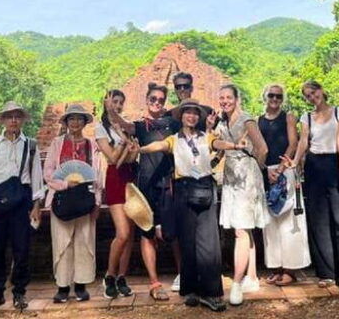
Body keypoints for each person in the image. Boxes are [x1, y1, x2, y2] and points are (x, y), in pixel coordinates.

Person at [138, 99, 249, 312]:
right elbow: (159, 146)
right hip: (183, 189)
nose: (191, 116)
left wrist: (234, 145)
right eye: (187, 112)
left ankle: (211, 293)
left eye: (195, 113)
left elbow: (217, 144)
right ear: (181, 116)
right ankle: (190, 290)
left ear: (198, 117)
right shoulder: (173, 139)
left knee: (209, 244)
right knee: (187, 242)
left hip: (204, 188)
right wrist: (140, 149)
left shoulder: (205, 137)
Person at [296, 80, 339, 297]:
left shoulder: (338, 112)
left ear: (321, 90)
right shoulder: (306, 117)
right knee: (319, 220)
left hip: (334, 164)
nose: (312, 97)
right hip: (314, 165)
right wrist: (295, 162)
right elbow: (303, 142)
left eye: (313, 92)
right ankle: (327, 272)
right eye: (307, 95)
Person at [0, 101, 44, 311]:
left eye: (17, 116)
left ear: (22, 120)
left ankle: (19, 292)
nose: (13, 120)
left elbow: (36, 176)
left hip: (21, 201)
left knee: (22, 249)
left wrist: (37, 204)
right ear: (3, 120)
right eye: (9, 116)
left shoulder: (30, 145)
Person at [43, 104, 104, 303]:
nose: (75, 122)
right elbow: (48, 172)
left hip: (85, 198)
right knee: (63, 242)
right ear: (66, 122)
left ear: (85, 122)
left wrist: (97, 202)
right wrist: (64, 184)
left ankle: (80, 285)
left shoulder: (91, 145)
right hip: (62, 197)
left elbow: (97, 175)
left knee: (84, 242)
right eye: (72, 119)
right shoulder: (57, 144)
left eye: (79, 119)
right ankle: (62, 286)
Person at [216, 83, 268, 306]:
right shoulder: (222, 122)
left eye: (229, 97)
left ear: (237, 99)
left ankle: (237, 282)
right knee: (244, 228)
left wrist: (256, 167)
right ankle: (252, 276)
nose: (225, 101)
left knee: (240, 230)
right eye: (222, 98)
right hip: (231, 176)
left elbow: (262, 148)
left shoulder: (246, 120)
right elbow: (219, 149)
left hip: (246, 176)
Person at [133, 83, 182, 300]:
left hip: (168, 182)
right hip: (146, 184)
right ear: (146, 99)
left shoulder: (173, 124)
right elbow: (121, 126)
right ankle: (154, 283)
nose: (156, 103)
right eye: (153, 99)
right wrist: (112, 111)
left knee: (174, 232)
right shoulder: (139, 125)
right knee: (147, 232)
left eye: (161, 100)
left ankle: (184, 275)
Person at [257, 84, 310, 286]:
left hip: (285, 170)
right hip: (267, 172)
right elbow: (257, 148)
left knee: (289, 221)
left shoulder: (288, 117)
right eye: (271, 95)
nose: (275, 99)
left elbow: (293, 143)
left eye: (279, 96)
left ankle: (290, 268)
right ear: (265, 96)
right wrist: (265, 170)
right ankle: (276, 266)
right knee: (270, 222)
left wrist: (279, 170)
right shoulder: (258, 120)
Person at [95, 89, 138, 299]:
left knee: (130, 233)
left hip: (130, 177)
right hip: (114, 179)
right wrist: (122, 141)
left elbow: (130, 158)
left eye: (121, 102)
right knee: (122, 232)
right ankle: (109, 275)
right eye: (115, 101)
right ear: (106, 103)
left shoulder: (126, 125)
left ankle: (122, 277)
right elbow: (112, 159)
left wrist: (130, 148)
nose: (118, 106)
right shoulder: (101, 128)